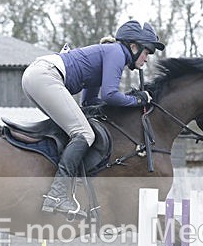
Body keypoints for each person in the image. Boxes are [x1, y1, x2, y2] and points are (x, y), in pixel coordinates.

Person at [21, 20, 165, 216]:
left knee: (75, 131)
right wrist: (137, 100)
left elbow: (90, 102)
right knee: (83, 133)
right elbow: (110, 95)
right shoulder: (116, 52)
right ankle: (57, 194)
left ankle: (57, 186)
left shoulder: (108, 54)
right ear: (133, 47)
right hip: (45, 76)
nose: (147, 58)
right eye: (147, 52)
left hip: (37, 76)